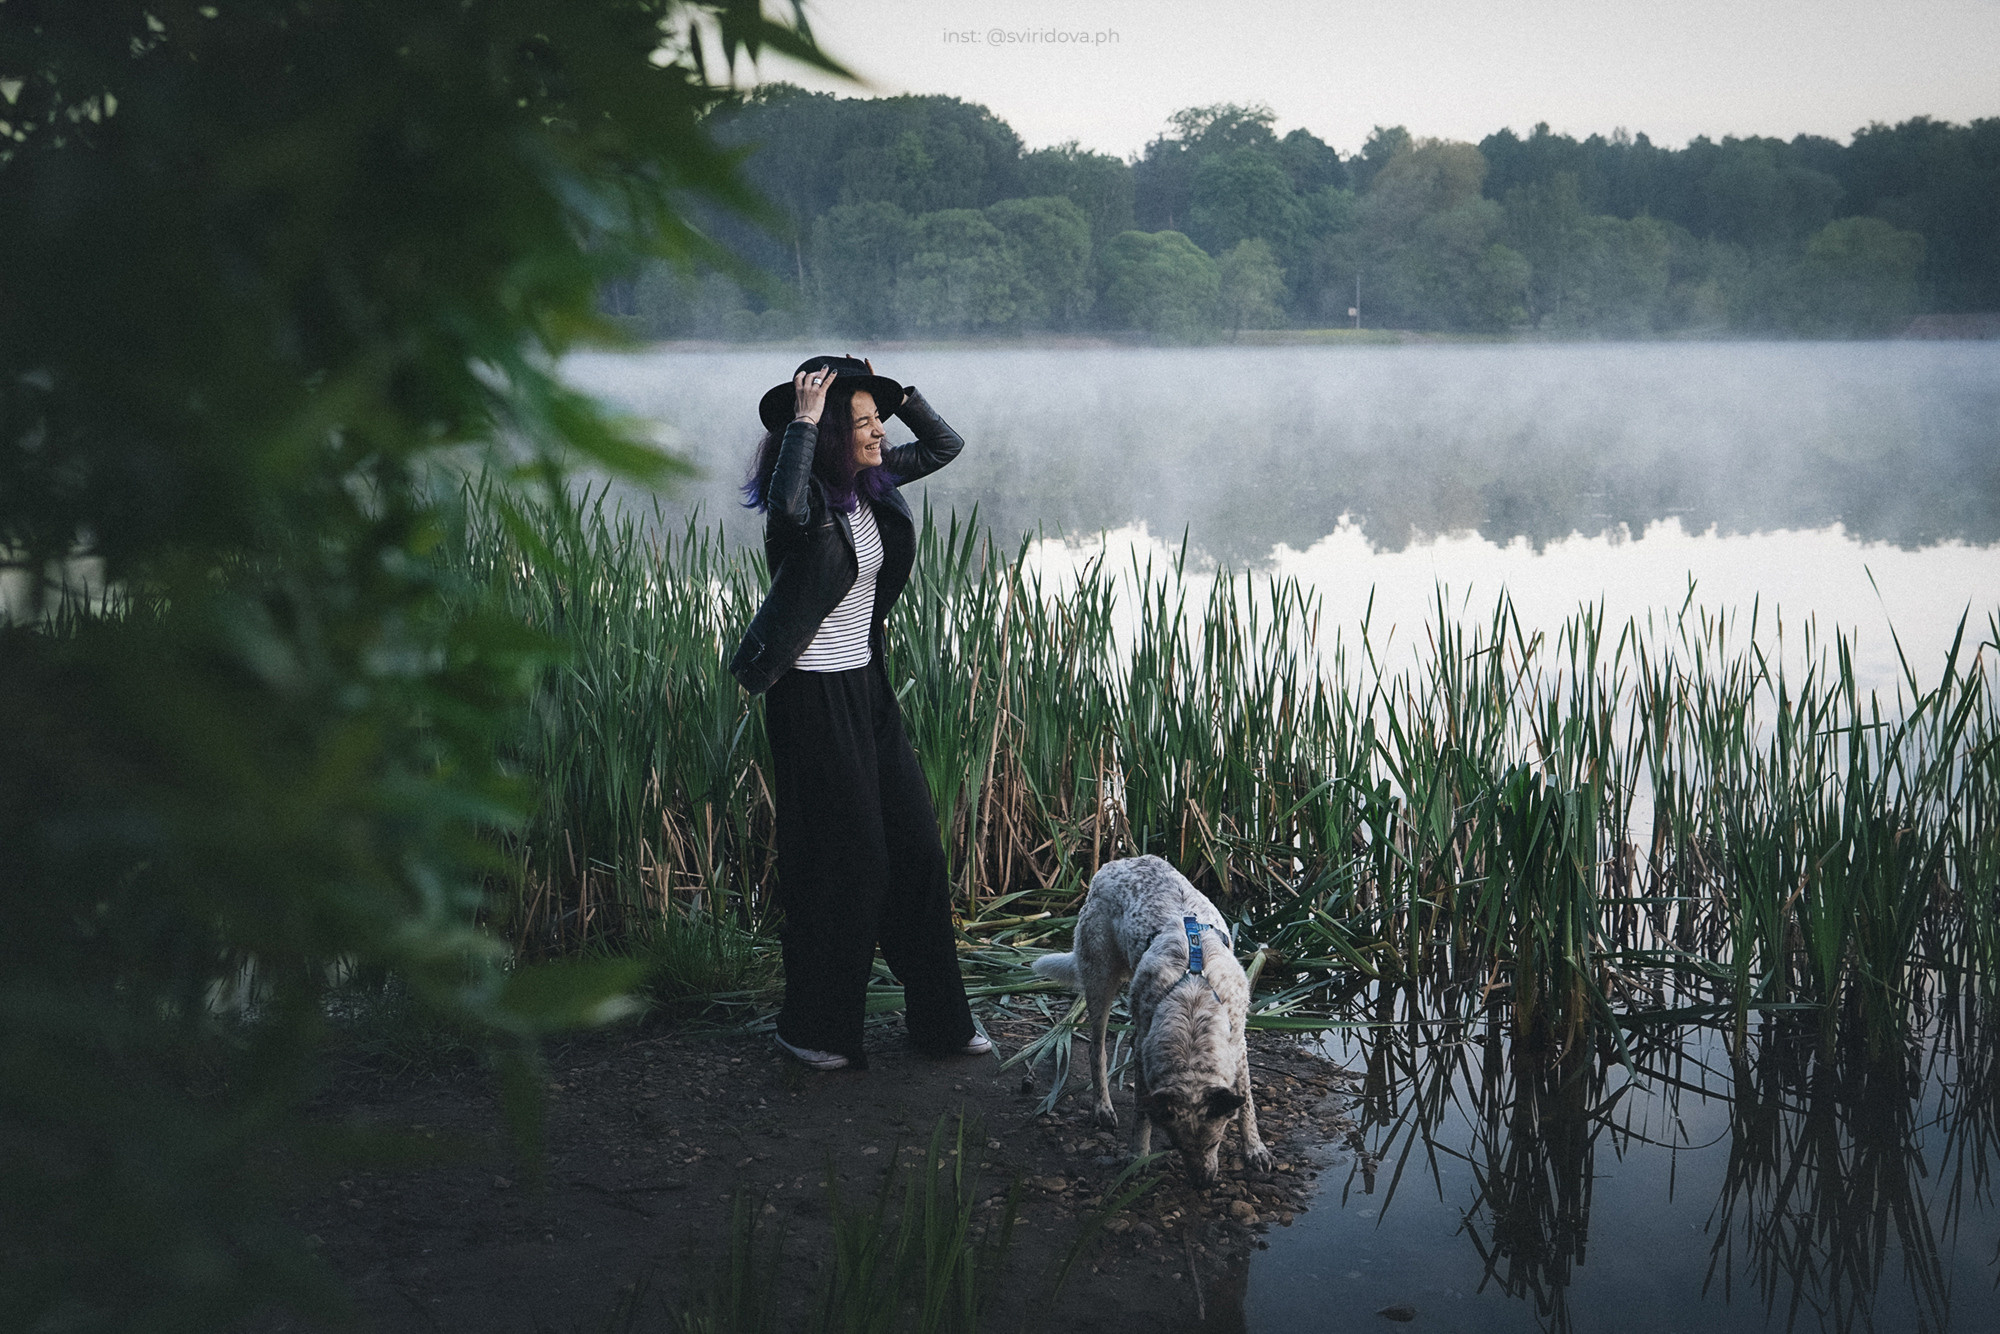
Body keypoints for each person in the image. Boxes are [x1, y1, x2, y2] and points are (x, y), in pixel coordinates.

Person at [731, 355, 989, 1072]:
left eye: (879, 422)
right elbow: (784, 511)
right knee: (850, 862)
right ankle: (812, 1029)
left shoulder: (873, 484)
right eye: (866, 424)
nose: (878, 434)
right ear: (830, 437)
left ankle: (940, 1023)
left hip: (867, 688)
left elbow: (945, 446)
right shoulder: (805, 504)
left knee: (916, 851)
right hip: (810, 696)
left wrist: (898, 395)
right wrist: (807, 422)